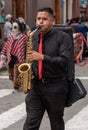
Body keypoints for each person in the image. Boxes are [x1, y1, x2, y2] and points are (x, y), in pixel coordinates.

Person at [23, 7, 73, 130]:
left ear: (52, 21)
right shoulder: (33, 37)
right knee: (30, 124)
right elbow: (29, 58)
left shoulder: (63, 37)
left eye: (44, 19)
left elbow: (65, 61)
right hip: (36, 86)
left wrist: (43, 57)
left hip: (56, 87)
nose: (40, 22)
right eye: (38, 19)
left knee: (56, 124)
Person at [0, 19, 28, 92]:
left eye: (15, 27)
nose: (13, 29)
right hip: (11, 56)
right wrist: (3, 54)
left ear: (19, 27)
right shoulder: (11, 37)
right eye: (13, 27)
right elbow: (6, 46)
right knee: (11, 72)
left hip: (20, 57)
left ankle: (17, 86)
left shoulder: (24, 37)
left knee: (17, 71)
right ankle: (15, 84)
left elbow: (27, 48)